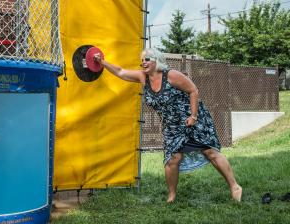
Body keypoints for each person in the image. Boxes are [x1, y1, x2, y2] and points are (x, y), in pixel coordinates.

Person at [94, 48, 242, 203]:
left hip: (191, 120)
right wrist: (101, 62)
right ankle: (171, 196)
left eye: (147, 59)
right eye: (142, 60)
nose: (144, 62)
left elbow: (193, 91)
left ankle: (234, 186)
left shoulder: (171, 75)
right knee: (172, 159)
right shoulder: (143, 77)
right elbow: (120, 72)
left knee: (209, 152)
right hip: (171, 126)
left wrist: (193, 116)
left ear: (157, 60)